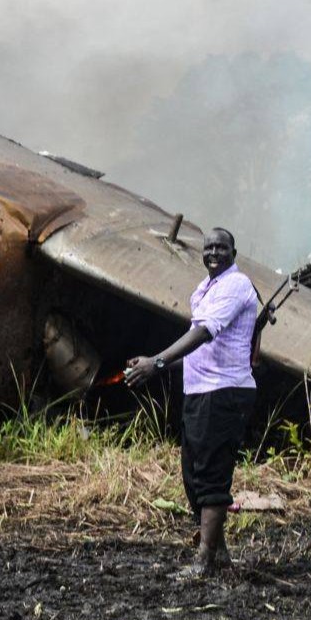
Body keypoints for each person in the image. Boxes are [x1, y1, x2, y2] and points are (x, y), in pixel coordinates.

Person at [125, 227, 258, 579]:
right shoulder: (205, 289)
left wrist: (157, 362)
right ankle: (220, 555)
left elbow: (202, 333)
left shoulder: (235, 285)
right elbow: (204, 348)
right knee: (193, 475)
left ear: (234, 252)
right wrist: (155, 362)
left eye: (221, 247)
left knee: (212, 475)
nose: (214, 252)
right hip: (201, 391)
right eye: (209, 247)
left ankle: (202, 562)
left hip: (224, 391)